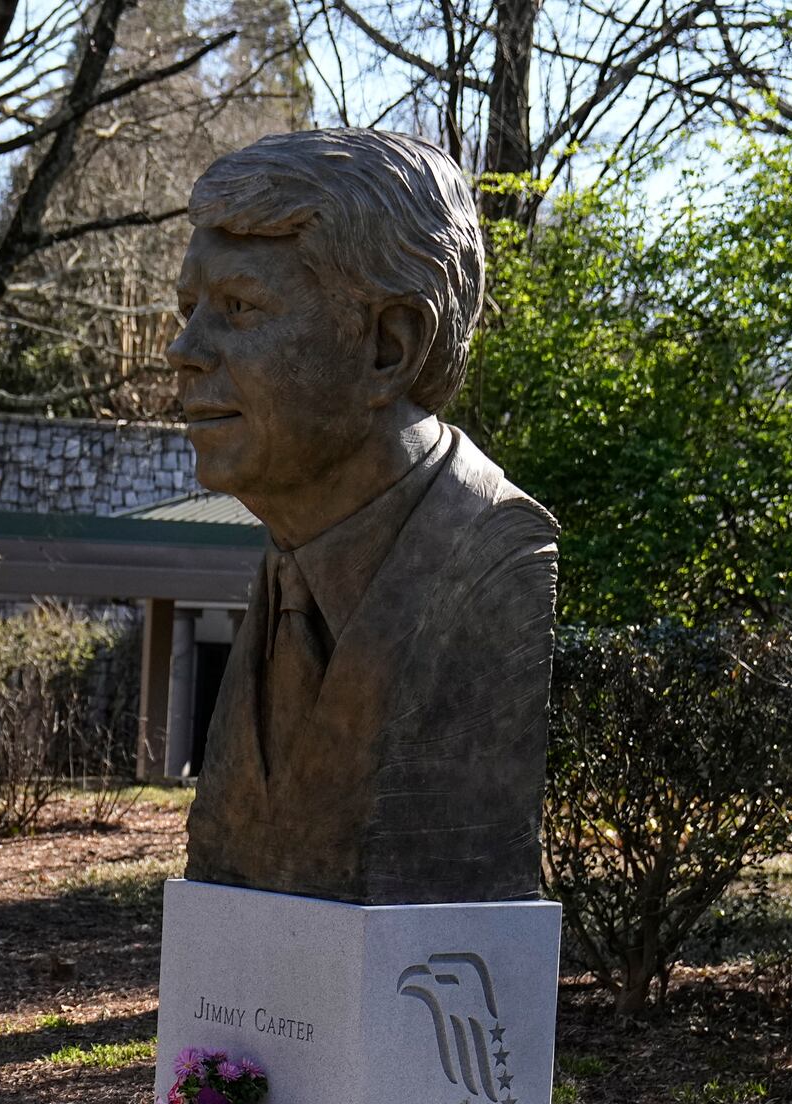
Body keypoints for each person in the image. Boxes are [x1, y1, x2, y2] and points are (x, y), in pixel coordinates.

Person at [169, 128, 561, 906]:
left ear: (390, 345)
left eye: (240, 308)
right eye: (189, 309)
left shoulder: (489, 555)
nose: (184, 350)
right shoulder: (286, 569)